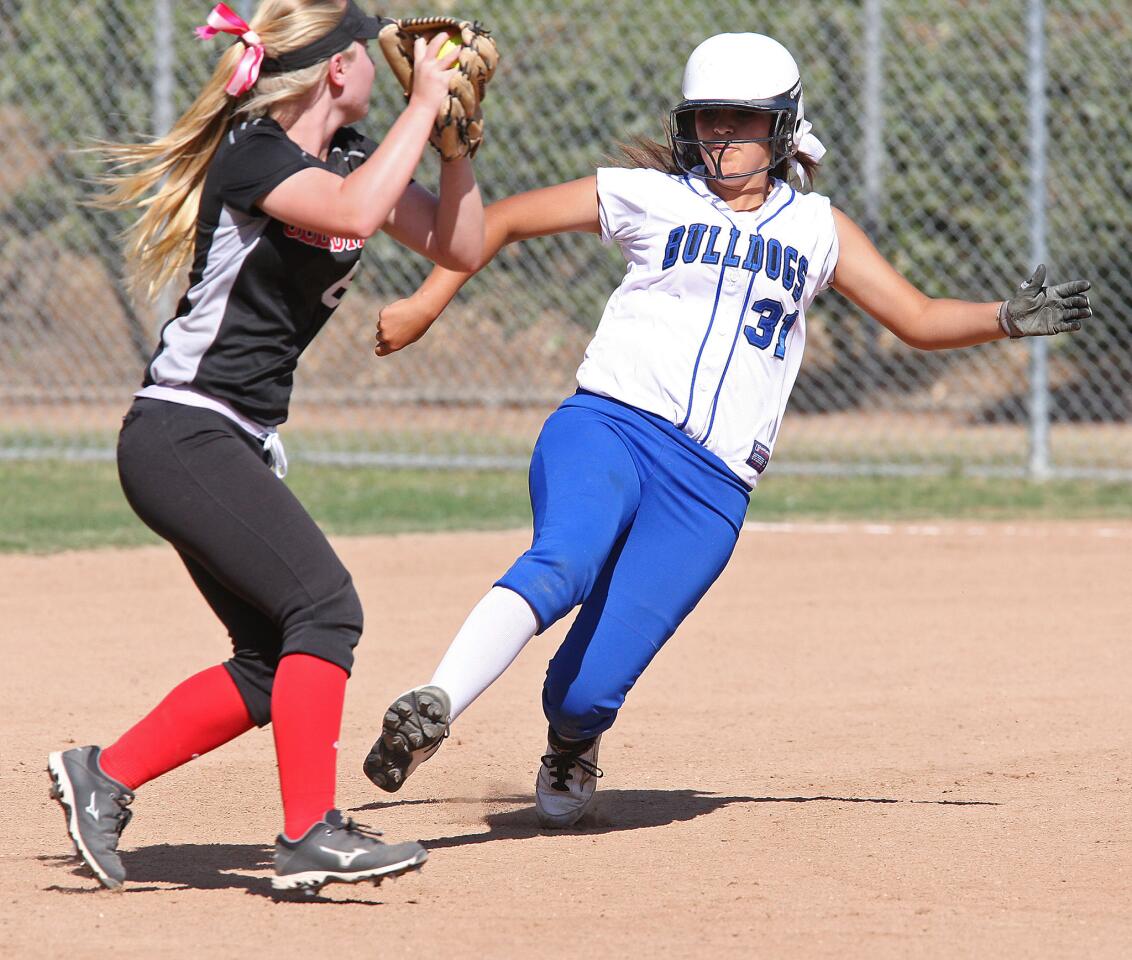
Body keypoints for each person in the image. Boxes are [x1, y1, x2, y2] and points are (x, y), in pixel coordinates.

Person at [361, 32, 1091, 828]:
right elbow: (494, 223)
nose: (720, 137)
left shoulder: (817, 228)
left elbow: (914, 317)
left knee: (585, 689)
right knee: (562, 561)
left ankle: (572, 743)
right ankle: (437, 700)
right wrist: (427, 303)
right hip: (609, 423)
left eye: (741, 121)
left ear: (783, 128)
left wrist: (1004, 320)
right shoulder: (651, 194)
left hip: (709, 486)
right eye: (708, 119)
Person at [46, 0, 484, 893]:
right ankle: (309, 834)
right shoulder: (257, 155)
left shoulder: (355, 157)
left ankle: (104, 775)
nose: (382, 62)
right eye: (367, 51)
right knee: (326, 609)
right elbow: (356, 213)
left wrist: (450, 137)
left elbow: (461, 242)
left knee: (269, 660)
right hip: (182, 430)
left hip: (223, 440)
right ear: (334, 72)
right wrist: (420, 102)